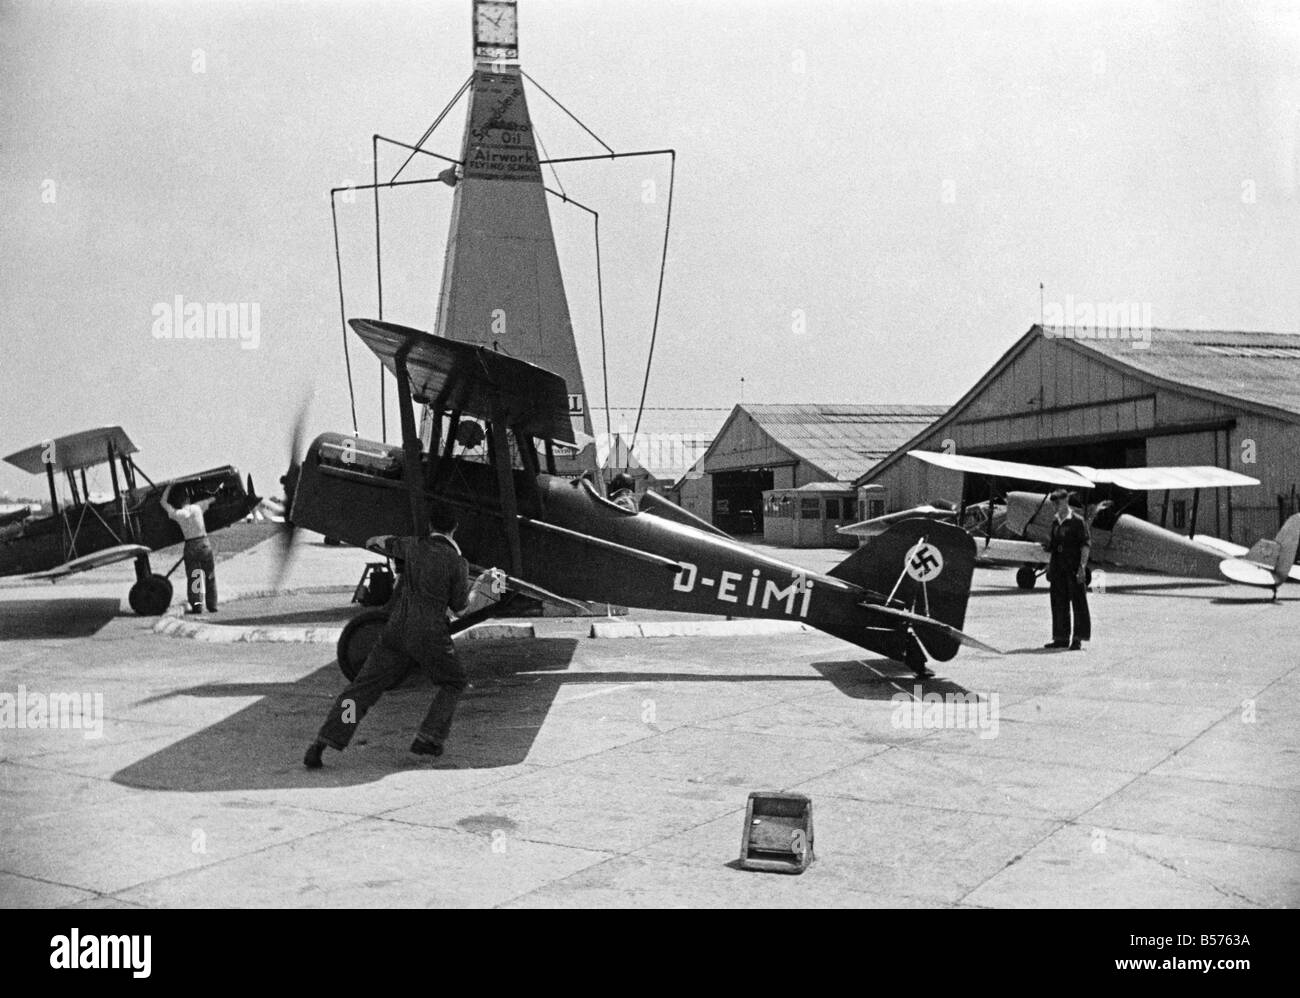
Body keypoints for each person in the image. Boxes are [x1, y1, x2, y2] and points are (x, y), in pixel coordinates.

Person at [304, 507, 483, 768]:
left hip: (395, 631)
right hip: (430, 635)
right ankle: (428, 737)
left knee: (361, 690)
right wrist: (481, 589)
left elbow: (379, 542)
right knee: (454, 682)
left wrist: (376, 541)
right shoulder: (457, 563)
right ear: (454, 528)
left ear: (431, 525)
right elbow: (461, 608)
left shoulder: (412, 547)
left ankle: (323, 741)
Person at [1043, 489, 1091, 650]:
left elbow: (1085, 545)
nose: (1055, 506)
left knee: (1078, 602)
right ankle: (1061, 638)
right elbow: (1054, 546)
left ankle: (1077, 638)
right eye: (1054, 503)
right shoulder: (1056, 522)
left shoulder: (1077, 521)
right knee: (1058, 602)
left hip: (1073, 566)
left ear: (1065, 501)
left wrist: (1082, 567)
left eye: (1058, 502)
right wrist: (1049, 565)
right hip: (1058, 566)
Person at [160, 481, 218, 614]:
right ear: (187, 498)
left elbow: (163, 503)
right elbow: (212, 499)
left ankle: (197, 606)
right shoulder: (198, 508)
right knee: (210, 576)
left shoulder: (178, 514)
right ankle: (212, 605)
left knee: (194, 577)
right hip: (204, 542)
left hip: (190, 545)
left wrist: (169, 486)